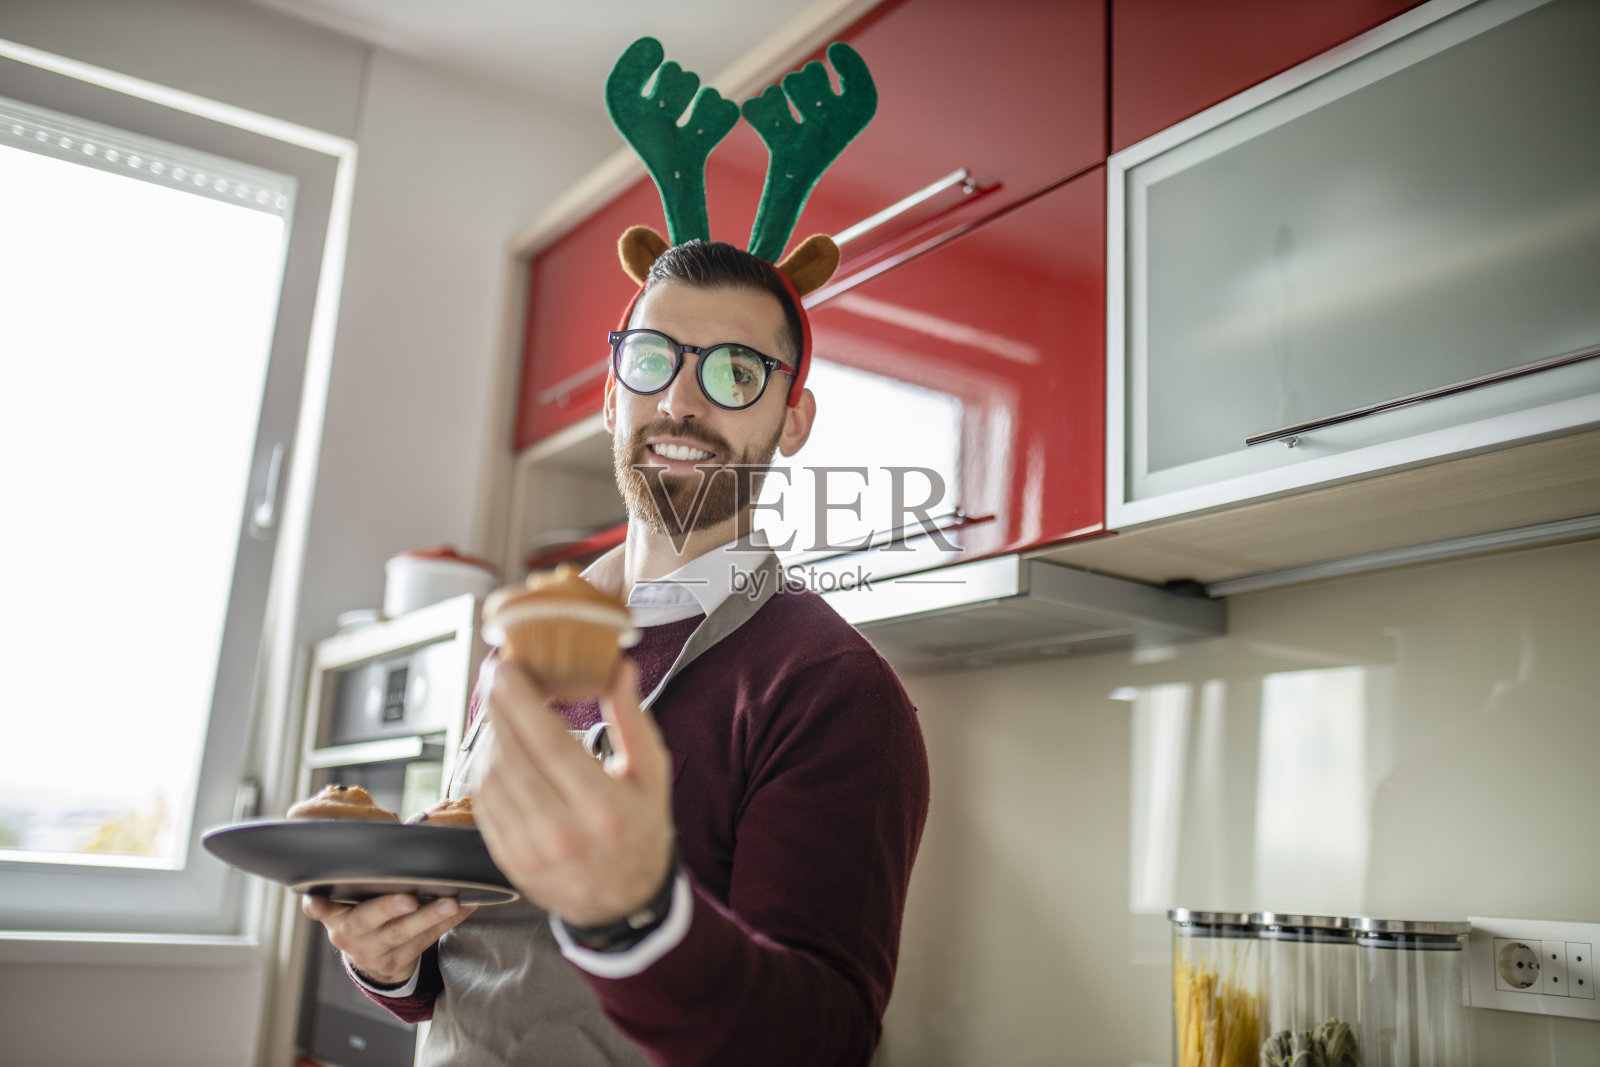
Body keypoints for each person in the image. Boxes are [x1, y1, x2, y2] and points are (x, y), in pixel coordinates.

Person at [303, 239, 931, 1065]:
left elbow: (824, 1037)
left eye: (735, 373)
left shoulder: (831, 690)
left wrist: (638, 912)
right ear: (611, 396)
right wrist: (385, 958)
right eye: (651, 360)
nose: (678, 402)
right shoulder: (522, 652)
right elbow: (463, 960)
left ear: (794, 419)